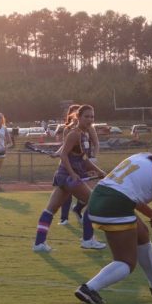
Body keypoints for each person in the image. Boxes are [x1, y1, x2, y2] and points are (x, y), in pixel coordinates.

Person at [74, 143, 152, 304]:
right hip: (115, 206)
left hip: (97, 199)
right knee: (126, 262)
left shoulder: (143, 156)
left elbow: (128, 191)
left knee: (142, 233)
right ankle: (89, 288)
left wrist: (151, 214)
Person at [32, 104, 106, 252]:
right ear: (78, 117)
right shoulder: (75, 134)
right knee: (93, 202)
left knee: (50, 209)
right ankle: (87, 239)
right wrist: (72, 173)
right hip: (67, 177)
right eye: (86, 116)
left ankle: (39, 244)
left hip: (65, 176)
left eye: (92, 116)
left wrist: (99, 171)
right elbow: (63, 155)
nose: (90, 119)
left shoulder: (84, 134)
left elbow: (83, 160)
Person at [57, 105, 86, 226]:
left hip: (81, 164)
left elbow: (94, 144)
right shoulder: (67, 130)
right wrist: (57, 153)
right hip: (68, 165)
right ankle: (64, 218)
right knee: (66, 193)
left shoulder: (87, 129)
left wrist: (93, 157)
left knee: (88, 194)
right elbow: (65, 147)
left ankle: (77, 208)